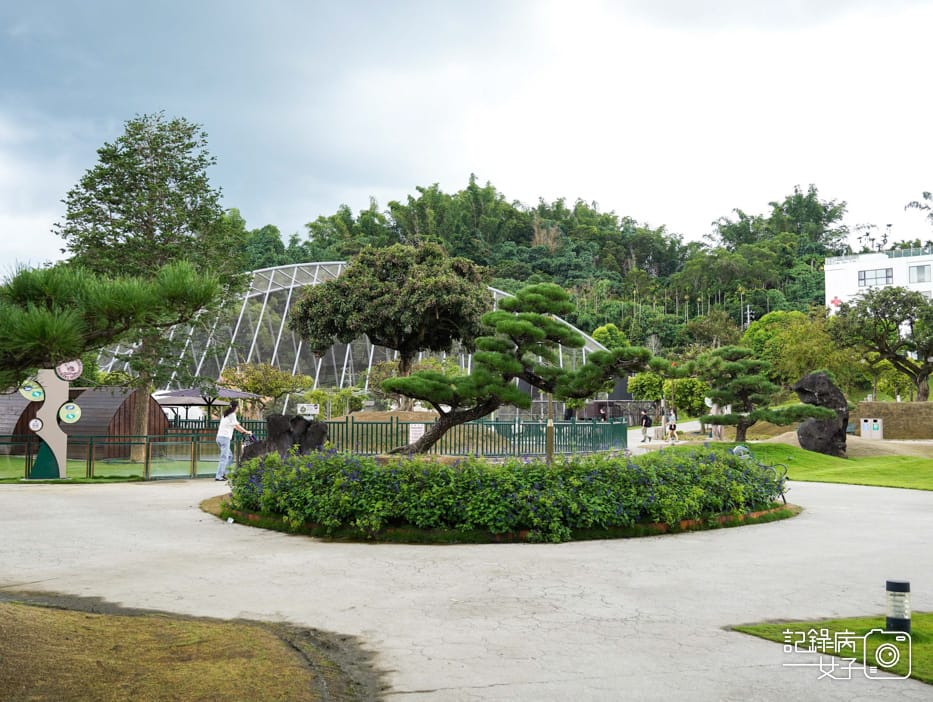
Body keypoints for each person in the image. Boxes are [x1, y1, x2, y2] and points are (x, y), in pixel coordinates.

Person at [215, 400, 253, 481]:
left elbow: (235, 427)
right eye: (238, 407)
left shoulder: (225, 414)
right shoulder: (232, 415)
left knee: (229, 456)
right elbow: (236, 425)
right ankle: (219, 476)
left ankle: (224, 473)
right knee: (224, 457)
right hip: (225, 438)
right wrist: (247, 431)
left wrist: (243, 432)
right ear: (236, 407)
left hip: (219, 437)